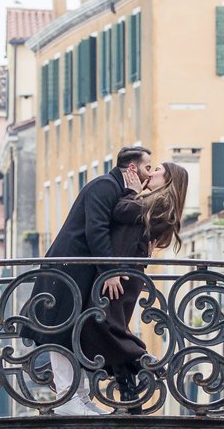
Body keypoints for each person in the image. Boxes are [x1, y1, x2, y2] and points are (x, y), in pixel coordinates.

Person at [24, 145, 152, 415]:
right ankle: (66, 399)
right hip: (66, 268)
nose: (149, 175)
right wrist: (110, 271)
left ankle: (78, 396)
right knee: (57, 331)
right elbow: (96, 230)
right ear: (132, 168)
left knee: (74, 331)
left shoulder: (117, 191)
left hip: (78, 271)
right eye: (147, 168)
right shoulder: (103, 187)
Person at [94, 161, 191, 405]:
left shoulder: (160, 202)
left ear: (169, 179)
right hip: (126, 274)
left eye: (158, 170)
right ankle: (128, 392)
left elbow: (120, 211)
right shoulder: (160, 204)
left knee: (105, 324)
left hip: (122, 276)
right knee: (111, 325)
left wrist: (131, 190)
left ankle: (141, 359)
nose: (151, 173)